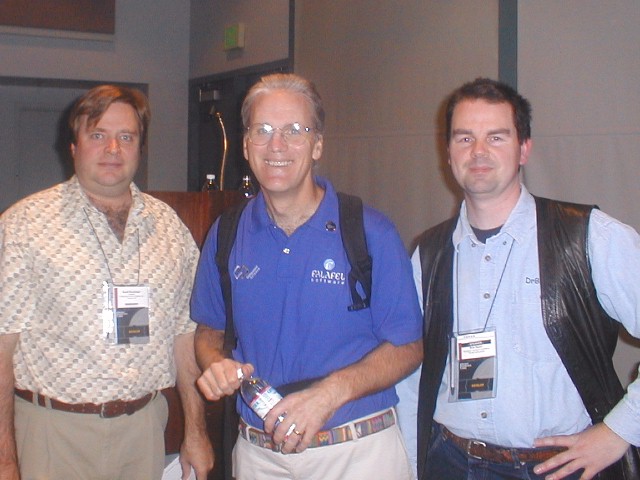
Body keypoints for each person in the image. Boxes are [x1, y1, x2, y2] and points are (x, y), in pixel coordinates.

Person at [398, 77, 640, 480]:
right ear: (448, 153)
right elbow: (412, 378)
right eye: (464, 138)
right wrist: (411, 464)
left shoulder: (588, 237)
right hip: (451, 463)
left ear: (524, 148)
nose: (478, 152)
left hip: (557, 468)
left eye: (496, 137)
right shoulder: (429, 254)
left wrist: (619, 431)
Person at [191, 73, 423, 480]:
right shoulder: (226, 235)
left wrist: (329, 395)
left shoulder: (369, 233)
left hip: (356, 454)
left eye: (294, 131)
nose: (276, 145)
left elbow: (410, 347)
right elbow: (209, 332)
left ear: (317, 145)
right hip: (259, 456)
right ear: (245, 146)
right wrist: (215, 364)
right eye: (262, 131)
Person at [0, 85, 213, 480]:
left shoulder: (169, 227)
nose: (113, 148)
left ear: (140, 148)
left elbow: (186, 336)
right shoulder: (24, 225)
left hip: (144, 430)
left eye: (126, 137)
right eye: (97, 134)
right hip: (53, 434)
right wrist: (4, 459)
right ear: (73, 147)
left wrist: (196, 433)